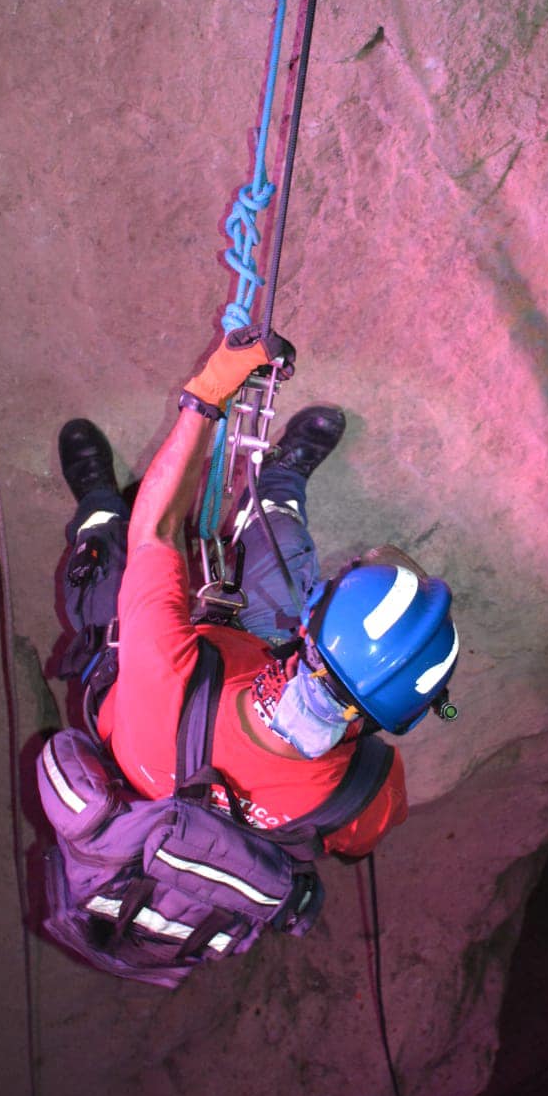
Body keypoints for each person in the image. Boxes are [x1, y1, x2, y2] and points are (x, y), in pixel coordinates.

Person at [55, 326, 459, 859]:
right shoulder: (366, 796)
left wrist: (207, 395)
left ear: (309, 627)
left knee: (109, 551)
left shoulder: (161, 675)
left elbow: (155, 529)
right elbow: (351, 841)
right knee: (280, 543)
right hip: (228, 678)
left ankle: (99, 502)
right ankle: (276, 488)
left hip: (145, 692)